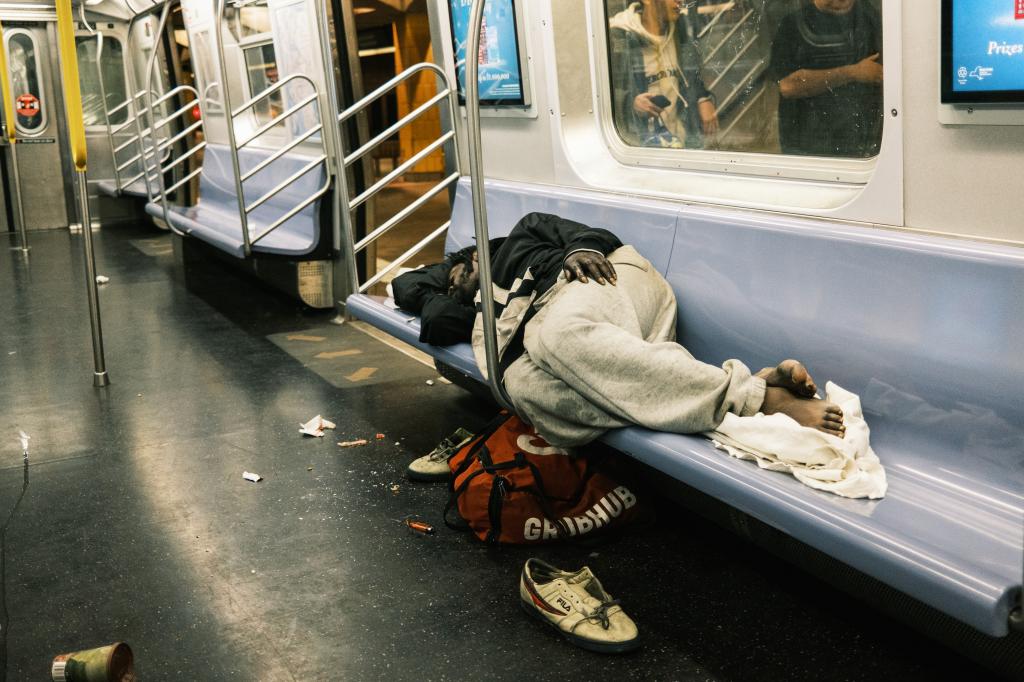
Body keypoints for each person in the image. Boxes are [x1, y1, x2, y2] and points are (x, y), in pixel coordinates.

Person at [423, 212, 845, 448]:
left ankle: (759, 399)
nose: (455, 283)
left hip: (602, 283)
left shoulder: (521, 237)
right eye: (450, 284)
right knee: (528, 394)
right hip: (605, 354)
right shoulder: (479, 314)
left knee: (557, 335)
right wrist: (461, 289)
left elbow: (592, 234)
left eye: (459, 272)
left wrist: (580, 250)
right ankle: (750, 384)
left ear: (476, 253)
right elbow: (429, 312)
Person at [769, 0, 883, 157]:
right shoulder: (792, 24)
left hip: (862, 145)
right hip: (808, 147)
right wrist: (853, 73)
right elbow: (788, 86)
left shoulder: (870, 16)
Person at [608, 0, 718, 149]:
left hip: (682, 140)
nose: (681, 2)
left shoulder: (680, 29)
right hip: (643, 147)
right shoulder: (620, 36)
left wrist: (702, 97)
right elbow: (606, 95)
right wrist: (631, 103)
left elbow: (691, 72)